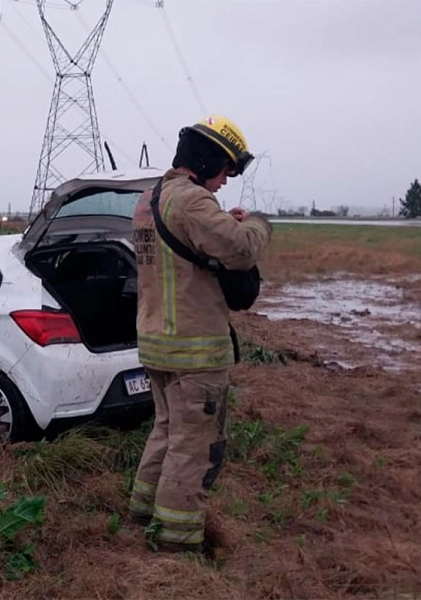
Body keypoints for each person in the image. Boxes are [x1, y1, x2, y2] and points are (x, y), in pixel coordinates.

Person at [127, 115, 273, 554]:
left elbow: (188, 250)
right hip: (194, 354)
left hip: (157, 346)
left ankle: (141, 515)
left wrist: (221, 220)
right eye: (226, 169)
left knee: (166, 434)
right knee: (193, 450)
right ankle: (175, 546)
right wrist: (259, 223)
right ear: (207, 158)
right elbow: (242, 248)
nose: (225, 181)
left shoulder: (149, 200)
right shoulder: (191, 202)